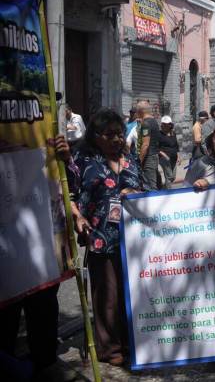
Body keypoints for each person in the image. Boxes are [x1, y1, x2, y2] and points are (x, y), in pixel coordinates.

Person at [0, 135, 79, 381]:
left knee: (43, 310)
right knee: (6, 317)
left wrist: (65, 159)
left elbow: (72, 186)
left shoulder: (46, 156)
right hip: (7, 255)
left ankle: (44, 363)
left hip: (41, 248)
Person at [72, 109, 144, 366]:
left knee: (132, 293)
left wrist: (133, 190)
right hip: (101, 236)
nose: (116, 139)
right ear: (95, 135)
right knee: (108, 296)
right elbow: (68, 194)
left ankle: (131, 343)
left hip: (133, 237)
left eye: (119, 134)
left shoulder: (129, 156)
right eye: (109, 134)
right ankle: (109, 349)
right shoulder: (83, 158)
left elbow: (142, 186)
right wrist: (77, 217)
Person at [136, 100, 160, 190]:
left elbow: (145, 144)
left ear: (140, 111)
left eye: (137, 110)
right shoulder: (154, 121)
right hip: (153, 156)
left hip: (149, 157)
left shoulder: (146, 123)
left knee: (150, 186)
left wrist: (139, 161)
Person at [158, 115, 179, 189]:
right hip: (164, 159)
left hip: (174, 158)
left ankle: (164, 188)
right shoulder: (159, 134)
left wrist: (178, 156)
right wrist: (164, 155)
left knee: (173, 177)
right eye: (163, 124)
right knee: (169, 176)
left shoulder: (173, 133)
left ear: (170, 125)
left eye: (166, 124)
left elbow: (176, 145)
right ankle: (169, 193)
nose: (164, 126)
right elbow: (156, 147)